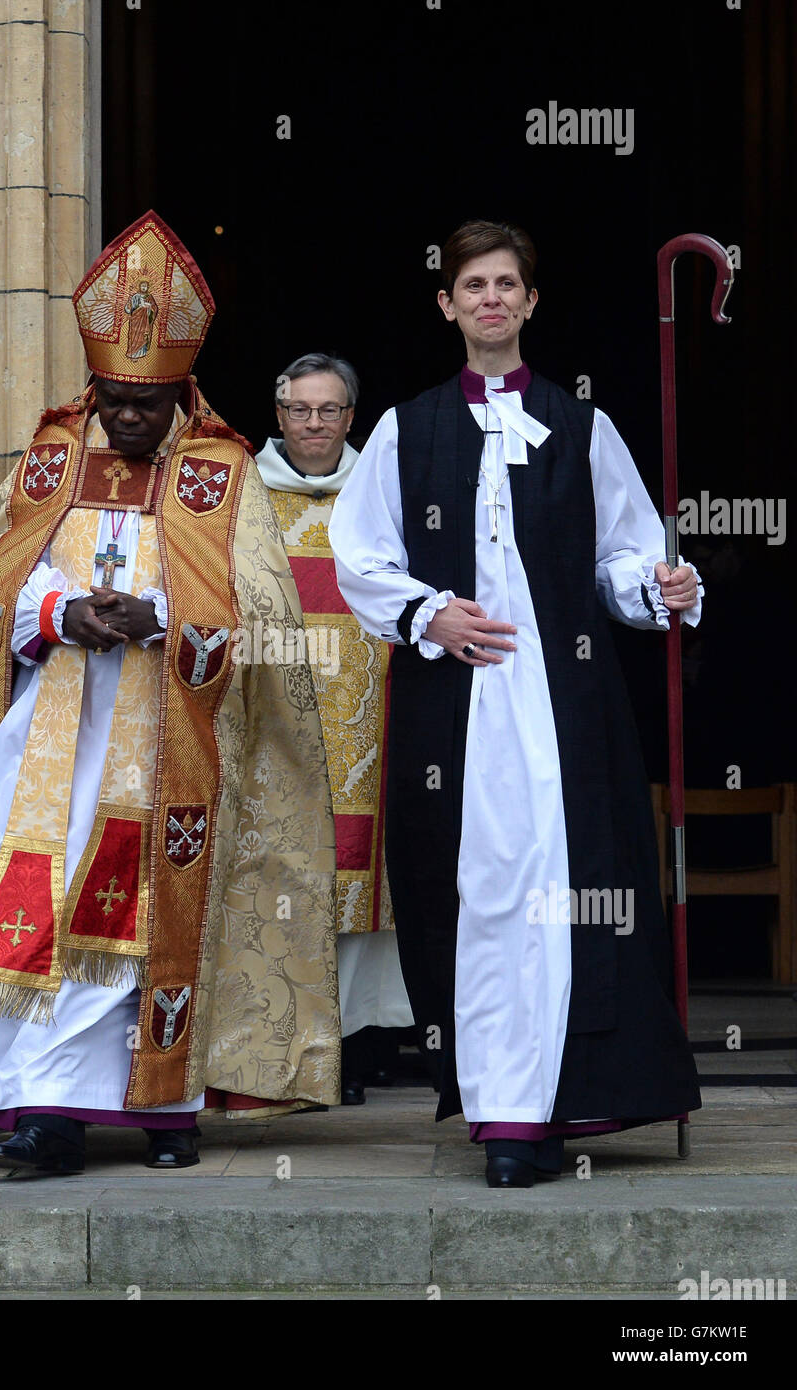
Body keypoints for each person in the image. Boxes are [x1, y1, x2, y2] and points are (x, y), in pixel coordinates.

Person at [0, 211, 339, 1174]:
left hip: (166, 741)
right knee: (11, 897)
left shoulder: (221, 468)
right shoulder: (50, 457)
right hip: (44, 735)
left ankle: (141, 1105)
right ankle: (31, 1097)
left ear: (178, 391)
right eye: (115, 397)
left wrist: (160, 616)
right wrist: (59, 616)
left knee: (139, 913)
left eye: (146, 402)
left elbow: (261, 610)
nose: (126, 418)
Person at [329, 219, 703, 1187]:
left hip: (566, 710)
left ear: (530, 303)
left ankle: (565, 1097)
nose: (490, 298)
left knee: (569, 896)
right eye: (472, 285)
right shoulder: (406, 428)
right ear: (445, 304)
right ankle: (502, 1111)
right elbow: (359, 557)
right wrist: (428, 613)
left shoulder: (583, 425)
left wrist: (658, 587)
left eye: (507, 284)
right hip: (453, 712)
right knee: (479, 895)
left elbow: (624, 553)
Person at [254, 354, 414, 1105]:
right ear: (278, 415)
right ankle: (284, 1036)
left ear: (352, 418)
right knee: (286, 874)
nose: (313, 424)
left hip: (370, 717)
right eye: (299, 410)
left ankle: (359, 1038)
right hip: (274, 719)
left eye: (329, 410)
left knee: (362, 876)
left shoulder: (382, 491)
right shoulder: (239, 497)